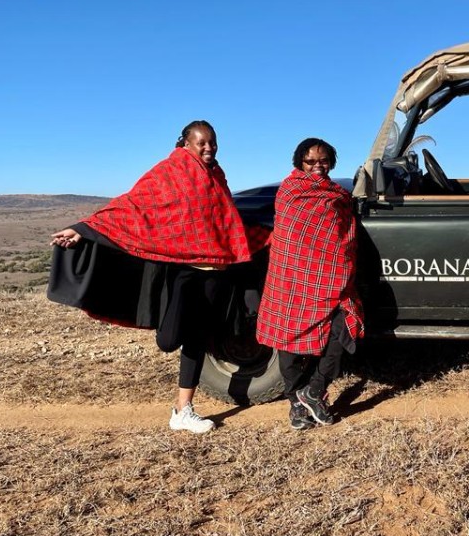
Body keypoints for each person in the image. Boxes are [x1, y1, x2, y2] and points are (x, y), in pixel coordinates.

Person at [50, 120, 262, 434]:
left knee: (198, 338)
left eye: (213, 142)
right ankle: (175, 375)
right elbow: (134, 205)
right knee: (168, 339)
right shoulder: (169, 171)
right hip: (185, 270)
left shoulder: (217, 175)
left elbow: (223, 217)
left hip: (216, 269)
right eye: (202, 142)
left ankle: (182, 409)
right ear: (186, 143)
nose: (208, 148)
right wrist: (83, 230)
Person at [256, 138, 363, 429]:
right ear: (299, 163)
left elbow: (345, 238)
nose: (318, 166)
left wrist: (337, 268)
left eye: (324, 160)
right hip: (291, 281)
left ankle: (314, 391)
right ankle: (295, 404)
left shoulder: (338, 196)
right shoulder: (290, 192)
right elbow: (288, 238)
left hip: (330, 279)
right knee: (288, 339)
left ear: (332, 162)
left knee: (344, 326)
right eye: (311, 161)